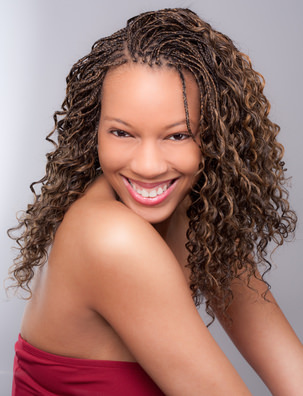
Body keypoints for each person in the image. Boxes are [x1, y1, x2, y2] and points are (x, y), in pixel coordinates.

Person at [8, 8, 303, 396]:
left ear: (214, 136)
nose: (147, 166)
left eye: (177, 136)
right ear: (92, 131)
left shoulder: (194, 214)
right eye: (122, 133)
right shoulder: (110, 238)